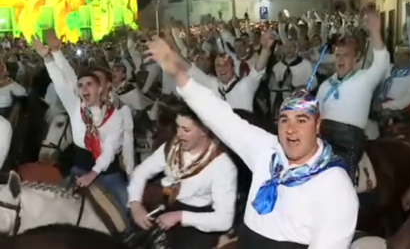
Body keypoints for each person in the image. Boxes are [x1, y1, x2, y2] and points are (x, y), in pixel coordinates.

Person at [143, 37, 358, 248]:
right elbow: (220, 118)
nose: (291, 130)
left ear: (317, 125)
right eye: (285, 120)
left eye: (302, 120)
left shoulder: (335, 186)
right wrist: (176, 73)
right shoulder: (268, 150)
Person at [31, 32, 128, 223]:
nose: (83, 88)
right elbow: (62, 82)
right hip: (79, 168)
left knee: (127, 210)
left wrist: (93, 174)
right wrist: (49, 58)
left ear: (100, 89)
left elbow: (108, 151)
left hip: (107, 172)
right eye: (81, 85)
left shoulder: (115, 115)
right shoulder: (75, 107)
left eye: (89, 84)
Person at [128, 101, 237, 249]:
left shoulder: (222, 166)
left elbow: (224, 220)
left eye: (185, 130)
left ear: (204, 131)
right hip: (167, 204)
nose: (178, 134)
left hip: (199, 220)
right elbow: (141, 171)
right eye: (178, 127)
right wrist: (135, 204)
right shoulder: (171, 147)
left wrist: (180, 216)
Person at [316, 8, 389, 184]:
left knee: (340, 184)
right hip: (322, 138)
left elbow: (382, 62)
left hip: (347, 142)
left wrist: (375, 33)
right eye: (338, 55)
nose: (340, 60)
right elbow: (316, 113)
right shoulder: (325, 85)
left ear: (356, 58)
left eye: (346, 55)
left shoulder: (364, 79)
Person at [176, 31, 273, 112]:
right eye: (218, 65)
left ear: (233, 68)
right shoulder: (213, 84)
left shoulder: (244, 86)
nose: (222, 69)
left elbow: (257, 71)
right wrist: (170, 50)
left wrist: (265, 49)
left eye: (225, 64)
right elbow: (190, 69)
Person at [91, 67, 135, 177]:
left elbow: (127, 142)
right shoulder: (86, 104)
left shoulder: (120, 109)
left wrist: (129, 171)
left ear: (108, 85)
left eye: (99, 79)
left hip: (110, 165)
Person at [371, 45, 410, 138]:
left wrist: (383, 106)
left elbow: (404, 102)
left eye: (403, 55)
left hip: (397, 109)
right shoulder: (388, 68)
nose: (399, 57)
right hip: (378, 101)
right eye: (397, 54)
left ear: (409, 57)